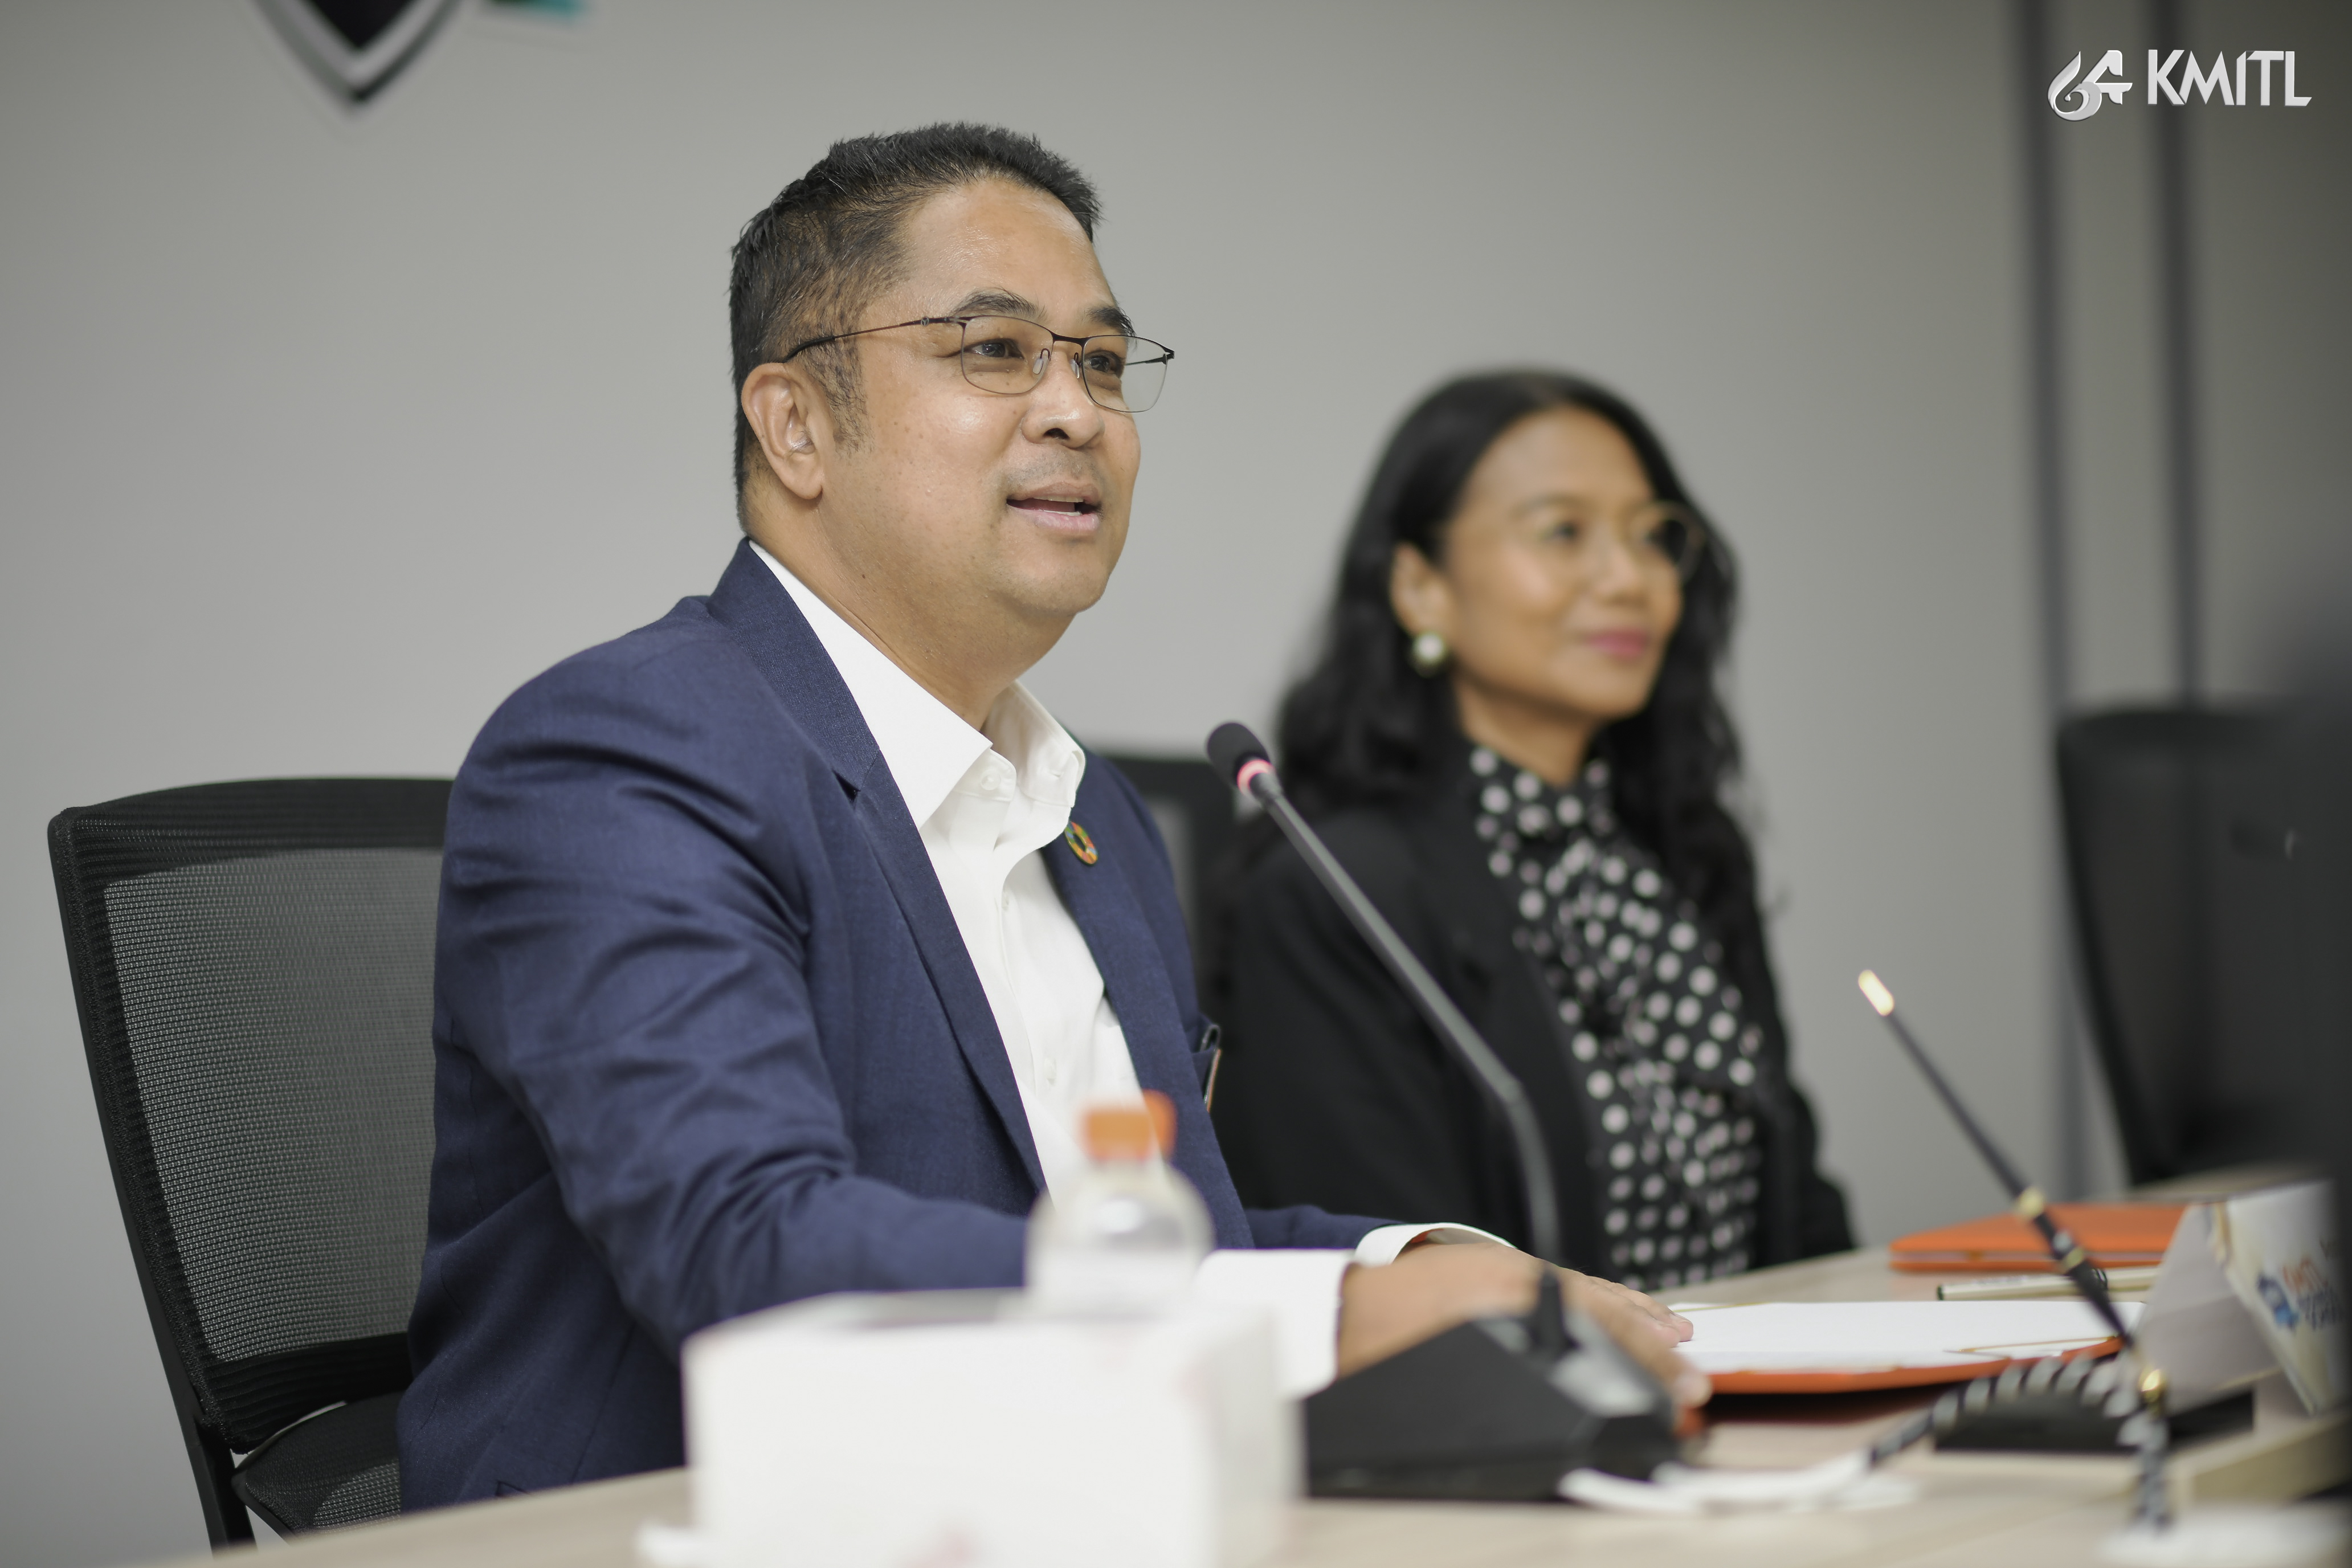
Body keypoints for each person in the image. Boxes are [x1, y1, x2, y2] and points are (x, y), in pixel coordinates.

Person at [398, 130, 1703, 1509]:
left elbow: (1159, 1256)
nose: (1077, 411)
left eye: (1104, 362)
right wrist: (1320, 1317)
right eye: (996, 351)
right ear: (795, 426)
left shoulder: (1095, 816)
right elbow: (753, 1249)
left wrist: (1416, 1267)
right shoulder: (628, 750)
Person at [1207, 371, 1852, 1291]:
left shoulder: (1675, 852)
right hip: (1525, 1383)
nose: (1629, 580)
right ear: (1420, 587)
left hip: (1769, 1374)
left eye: (1652, 536)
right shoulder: (1338, 891)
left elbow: (1795, 1205)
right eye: (1564, 533)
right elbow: (1395, 1270)